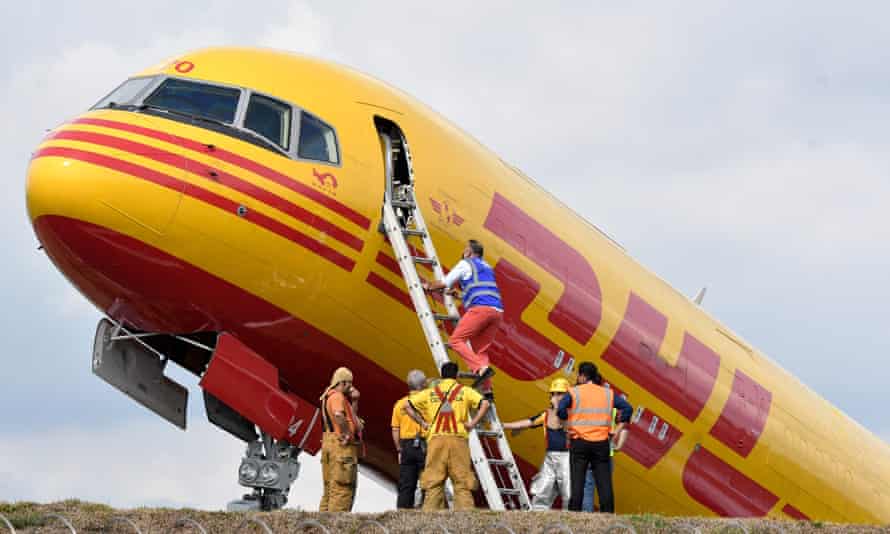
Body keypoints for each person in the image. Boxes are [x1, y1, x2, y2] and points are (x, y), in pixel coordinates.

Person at [405, 361, 491, 510]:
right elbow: (485, 404)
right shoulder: (464, 391)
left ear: (442, 375)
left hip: (436, 439)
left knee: (433, 481)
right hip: (458, 439)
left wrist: (423, 423)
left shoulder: (431, 392)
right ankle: (465, 522)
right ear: (456, 375)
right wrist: (472, 423)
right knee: (462, 481)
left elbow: (408, 405)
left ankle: (430, 521)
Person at [422, 239, 501, 392]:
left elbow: (445, 282)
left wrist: (429, 286)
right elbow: (480, 291)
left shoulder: (466, 263)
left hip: (481, 310)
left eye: (465, 250)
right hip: (497, 312)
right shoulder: (487, 268)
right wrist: (458, 295)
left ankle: (480, 369)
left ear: (469, 252)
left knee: (456, 340)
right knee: (480, 351)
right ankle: (487, 390)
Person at [557, 362, 632, 513]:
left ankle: (574, 515)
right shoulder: (607, 393)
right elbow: (628, 408)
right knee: (604, 484)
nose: (577, 378)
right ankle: (608, 515)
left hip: (579, 443)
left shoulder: (574, 392)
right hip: (601, 444)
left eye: (578, 375)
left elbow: (560, 410)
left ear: (583, 376)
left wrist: (568, 424)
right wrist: (617, 430)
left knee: (578, 482)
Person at [502, 377, 572, 510]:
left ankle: (571, 519)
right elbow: (529, 422)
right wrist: (504, 425)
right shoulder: (546, 414)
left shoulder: (574, 415)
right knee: (542, 489)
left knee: (569, 492)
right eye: (554, 394)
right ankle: (537, 516)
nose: (556, 397)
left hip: (568, 457)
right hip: (550, 457)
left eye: (560, 394)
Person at [318, 367, 362, 512]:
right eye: (349, 383)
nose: (351, 387)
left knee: (330, 489)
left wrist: (354, 401)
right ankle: (336, 525)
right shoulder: (337, 397)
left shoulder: (328, 396)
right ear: (342, 383)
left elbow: (350, 417)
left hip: (329, 442)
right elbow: (338, 414)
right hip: (341, 447)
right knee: (342, 489)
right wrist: (347, 434)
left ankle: (322, 525)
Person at [391, 369, 429, 509]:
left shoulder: (400, 404)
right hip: (425, 444)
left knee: (406, 484)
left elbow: (395, 430)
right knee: (429, 481)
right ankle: (427, 509)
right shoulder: (427, 402)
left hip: (406, 446)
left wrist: (399, 449)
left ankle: (403, 513)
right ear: (423, 385)